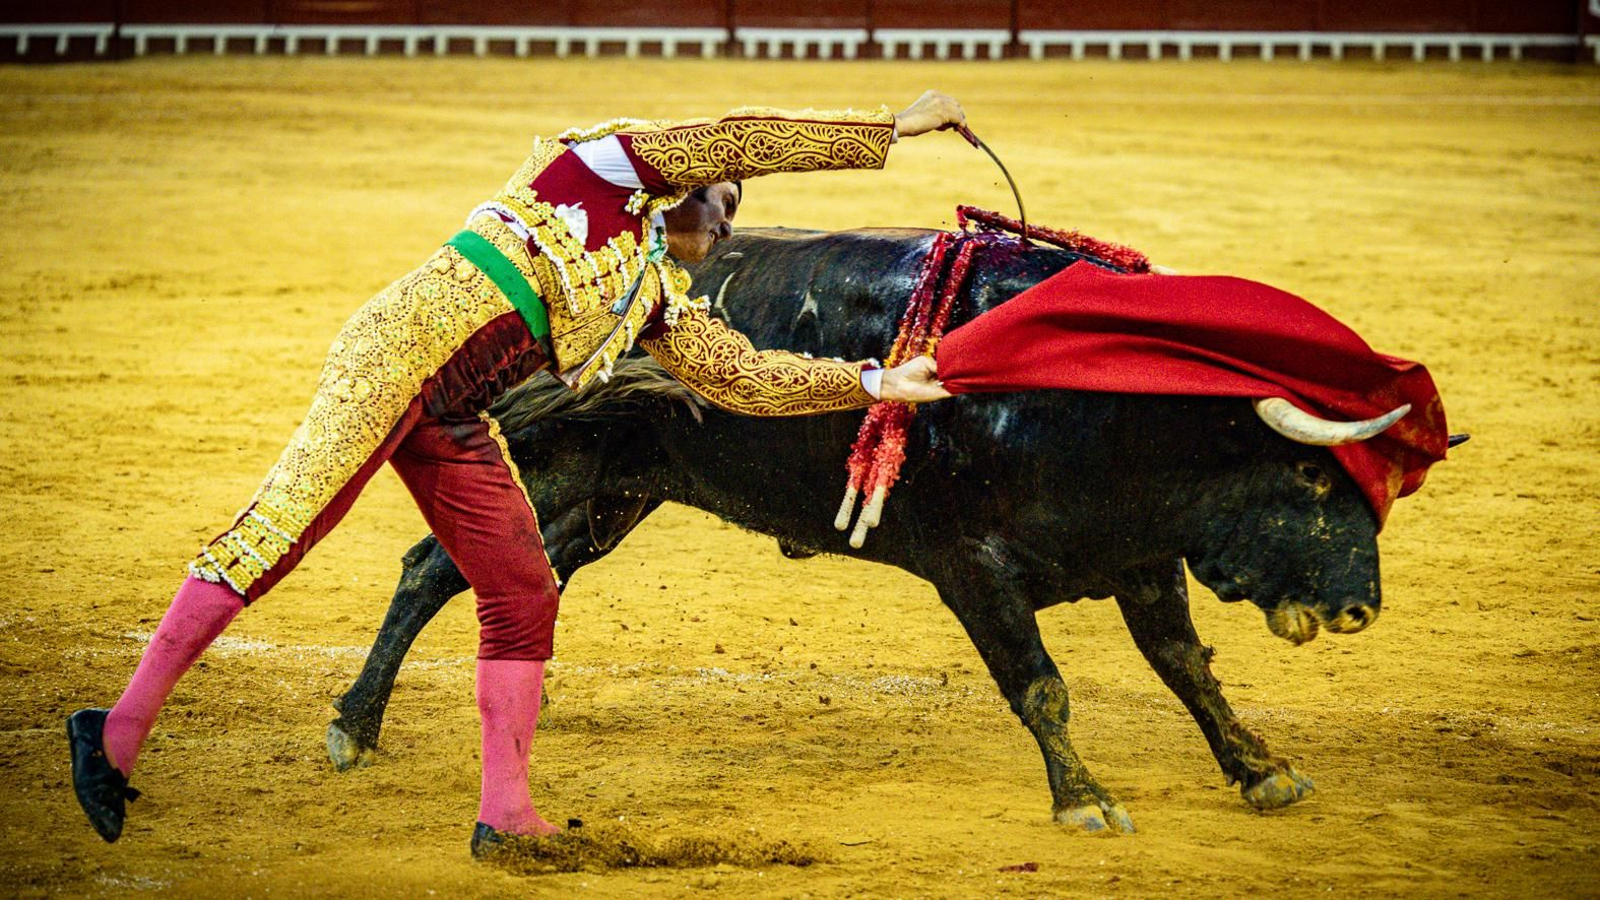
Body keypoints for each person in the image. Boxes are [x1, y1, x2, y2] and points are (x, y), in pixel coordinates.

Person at [68, 90, 962, 858]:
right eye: (719, 201)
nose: (728, 222)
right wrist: (891, 128)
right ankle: (115, 732)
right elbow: (737, 137)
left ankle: (505, 815)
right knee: (280, 531)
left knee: (523, 587)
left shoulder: (649, 292)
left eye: (733, 211)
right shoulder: (598, 170)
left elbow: (740, 377)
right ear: (678, 187)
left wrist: (875, 383)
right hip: (391, 359)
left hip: (453, 414)